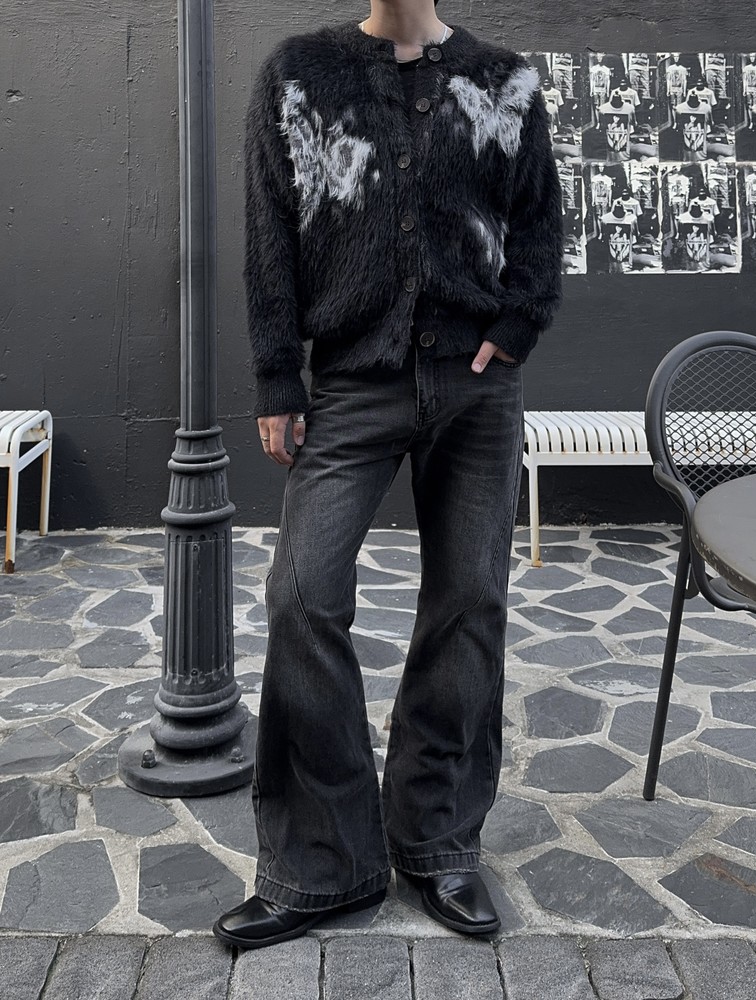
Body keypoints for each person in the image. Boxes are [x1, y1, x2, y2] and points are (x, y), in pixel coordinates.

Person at [212, 0, 563, 950]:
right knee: (302, 594)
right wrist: (278, 374)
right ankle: (322, 863)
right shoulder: (298, 74)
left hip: (476, 388)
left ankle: (438, 839)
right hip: (353, 380)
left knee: (469, 602)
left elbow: (540, 220)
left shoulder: (505, 80)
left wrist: (519, 323)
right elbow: (270, 231)